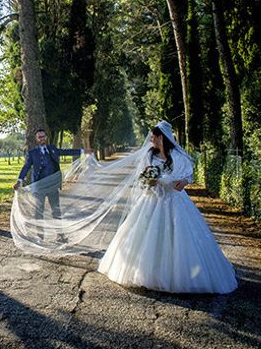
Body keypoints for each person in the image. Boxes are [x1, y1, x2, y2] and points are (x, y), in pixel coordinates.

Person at [97, 121, 238, 294]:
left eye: (153, 137)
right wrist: (150, 181)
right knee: (149, 237)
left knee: (179, 236)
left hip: (175, 200)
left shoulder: (177, 156)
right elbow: (142, 179)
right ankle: (151, 274)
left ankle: (180, 275)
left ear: (161, 137)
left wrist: (184, 182)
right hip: (153, 200)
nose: (151, 141)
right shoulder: (149, 156)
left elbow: (188, 175)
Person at [13, 129, 83, 237]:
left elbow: (66, 151)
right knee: (38, 212)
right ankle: (40, 235)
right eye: (39, 137)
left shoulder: (52, 149)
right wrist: (19, 181)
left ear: (46, 137)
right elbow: (26, 167)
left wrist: (83, 151)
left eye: (43, 136)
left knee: (56, 211)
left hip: (52, 186)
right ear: (36, 139)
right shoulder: (32, 153)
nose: (42, 138)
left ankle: (61, 235)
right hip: (39, 187)